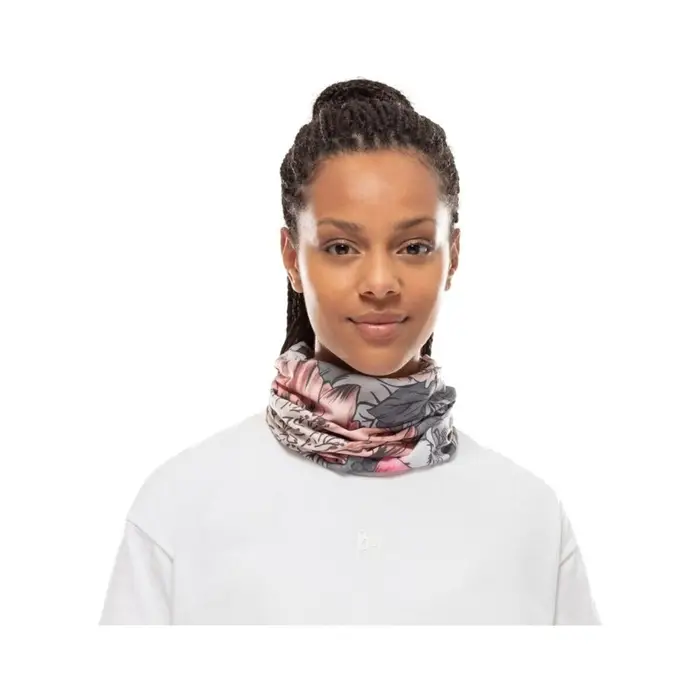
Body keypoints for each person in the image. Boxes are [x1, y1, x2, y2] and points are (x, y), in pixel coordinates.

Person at [99, 78, 601, 625]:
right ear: (292, 257)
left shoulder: (530, 520)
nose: (380, 282)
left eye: (414, 246)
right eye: (341, 247)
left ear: (452, 256)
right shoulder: (180, 508)